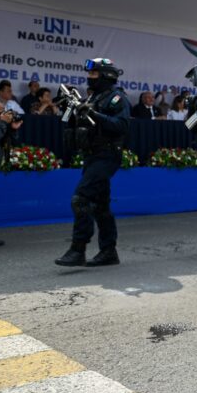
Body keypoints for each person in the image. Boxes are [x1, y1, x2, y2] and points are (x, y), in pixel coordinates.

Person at [55, 58, 131, 267]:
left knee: (81, 199)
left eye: (94, 74)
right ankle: (109, 251)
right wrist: (68, 108)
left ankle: (78, 249)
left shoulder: (117, 98)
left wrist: (94, 114)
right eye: (90, 74)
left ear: (107, 75)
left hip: (107, 155)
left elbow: (122, 126)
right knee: (100, 206)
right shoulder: (93, 97)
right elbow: (71, 124)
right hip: (92, 155)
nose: (90, 78)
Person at [0, 96, 23, 249]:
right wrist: (3, 123)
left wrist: (12, 129)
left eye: (3, 112)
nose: (2, 115)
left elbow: (9, 143)